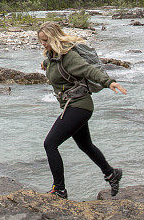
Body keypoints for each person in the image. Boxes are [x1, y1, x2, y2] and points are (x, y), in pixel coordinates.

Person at [37, 21, 127, 199]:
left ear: (55, 38)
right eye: (41, 41)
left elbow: (88, 70)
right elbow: (57, 68)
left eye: (46, 40)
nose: (43, 44)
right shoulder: (52, 56)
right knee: (85, 145)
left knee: (50, 144)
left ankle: (59, 189)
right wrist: (47, 65)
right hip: (73, 106)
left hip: (79, 106)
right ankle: (111, 174)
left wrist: (109, 82)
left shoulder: (69, 56)